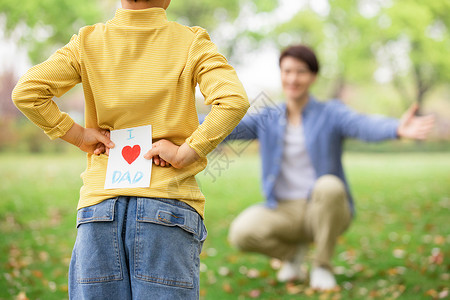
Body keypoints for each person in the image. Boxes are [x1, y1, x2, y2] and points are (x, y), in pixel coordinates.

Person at [12, 0, 249, 298]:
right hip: (167, 203)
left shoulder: (87, 42)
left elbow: (27, 92)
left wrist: (78, 135)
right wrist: (187, 151)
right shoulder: (191, 42)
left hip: (99, 208)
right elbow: (234, 101)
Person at [226, 44, 435, 290]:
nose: (293, 78)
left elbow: (362, 125)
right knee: (241, 233)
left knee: (329, 185)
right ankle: (293, 255)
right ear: (281, 74)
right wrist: (178, 123)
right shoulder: (268, 117)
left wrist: (395, 128)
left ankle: (322, 265)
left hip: (325, 206)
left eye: (301, 71)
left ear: (313, 76)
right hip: (283, 210)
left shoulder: (330, 113)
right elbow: (226, 126)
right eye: (287, 71)